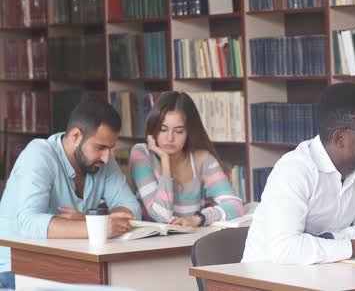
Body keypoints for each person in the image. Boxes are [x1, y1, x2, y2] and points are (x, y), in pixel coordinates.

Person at [242, 82, 355, 265]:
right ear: (340, 139)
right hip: (265, 280)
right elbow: (286, 249)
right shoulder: (295, 169)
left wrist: (323, 240)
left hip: (323, 275)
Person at [0, 97, 141, 289]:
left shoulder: (102, 161)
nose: (107, 157)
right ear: (75, 136)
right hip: (15, 269)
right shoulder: (38, 154)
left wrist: (84, 220)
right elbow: (29, 223)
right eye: (100, 147)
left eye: (110, 148)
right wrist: (96, 227)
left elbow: (132, 210)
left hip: (72, 264)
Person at [129, 91, 244, 227]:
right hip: (152, 244)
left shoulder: (202, 159)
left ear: (189, 132)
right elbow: (162, 216)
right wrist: (165, 162)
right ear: (153, 128)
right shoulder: (141, 154)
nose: (170, 138)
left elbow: (235, 205)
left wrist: (198, 218)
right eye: (163, 129)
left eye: (179, 131)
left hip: (191, 242)